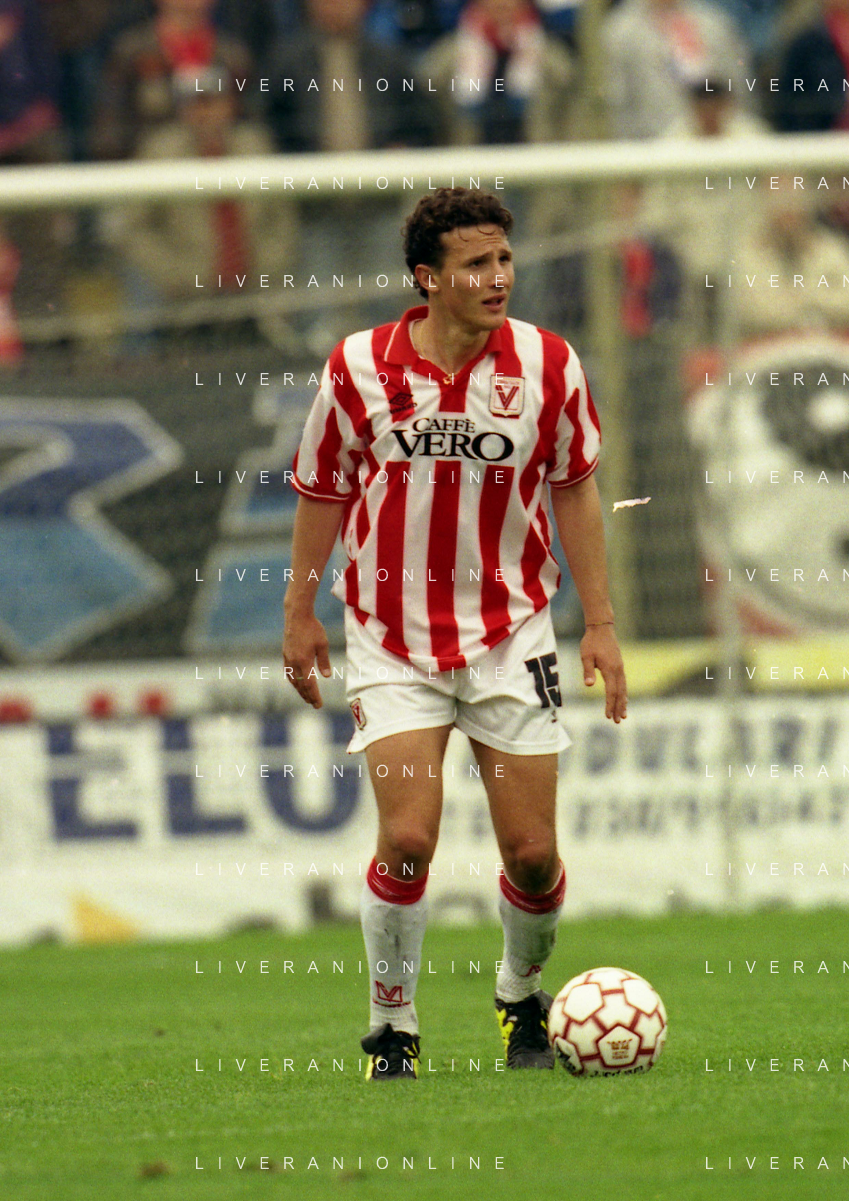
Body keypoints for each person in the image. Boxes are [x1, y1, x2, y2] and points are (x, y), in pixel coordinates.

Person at [282, 188, 627, 1080]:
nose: (498, 276)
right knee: (406, 840)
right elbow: (322, 489)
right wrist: (298, 611)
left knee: (534, 856)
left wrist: (600, 622)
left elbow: (575, 488)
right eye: (476, 264)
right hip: (390, 636)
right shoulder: (358, 366)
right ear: (427, 278)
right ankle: (391, 1027)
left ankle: (520, 995)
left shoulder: (548, 364)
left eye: (504, 259)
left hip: (512, 633)